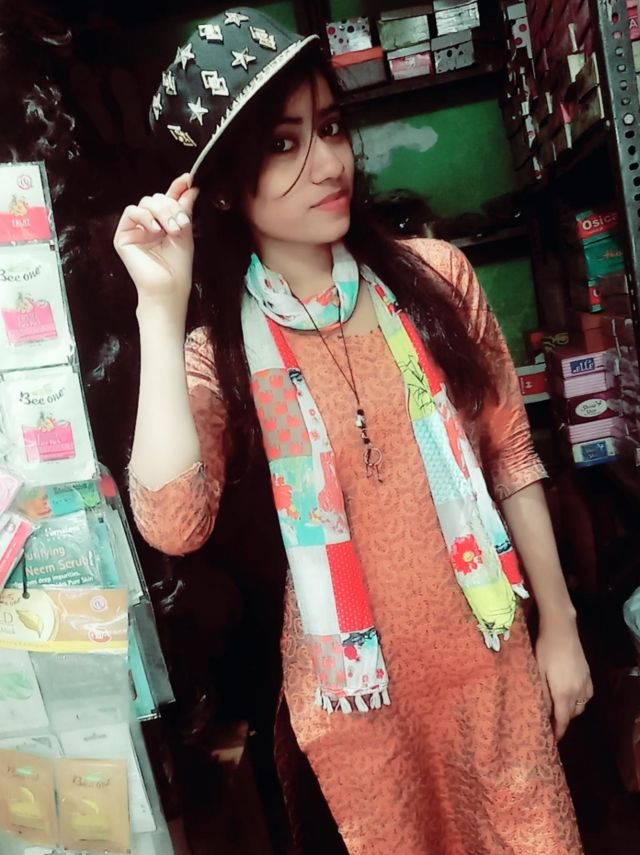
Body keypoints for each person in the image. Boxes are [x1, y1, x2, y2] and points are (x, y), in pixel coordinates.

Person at [115, 8, 591, 853]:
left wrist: (561, 627)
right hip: (359, 717)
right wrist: (159, 304)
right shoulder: (220, 356)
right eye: (284, 143)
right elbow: (173, 522)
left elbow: (512, 458)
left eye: (329, 128)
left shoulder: (436, 280)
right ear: (222, 187)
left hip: (492, 675)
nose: (329, 162)